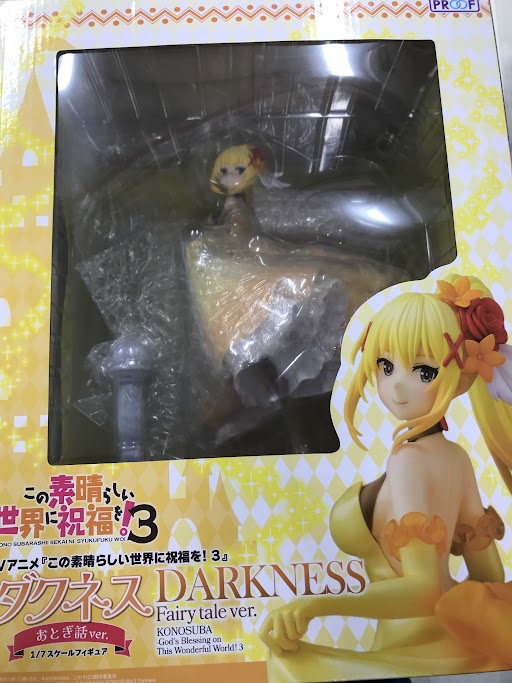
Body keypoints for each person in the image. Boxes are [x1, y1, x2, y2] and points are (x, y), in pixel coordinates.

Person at [259, 274, 512, 680]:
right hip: (454, 646)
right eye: (386, 366)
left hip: (410, 649)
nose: (397, 387)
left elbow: (423, 588)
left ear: (462, 376)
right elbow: (489, 577)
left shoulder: (408, 461)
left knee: (287, 665)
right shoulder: (457, 458)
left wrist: (315, 605)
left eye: (424, 371)